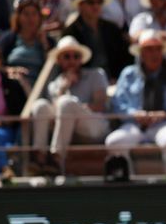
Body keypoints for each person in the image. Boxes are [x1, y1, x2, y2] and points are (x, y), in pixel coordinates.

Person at [105, 29, 166, 177]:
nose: (154, 54)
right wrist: (134, 114)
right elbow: (118, 102)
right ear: (141, 53)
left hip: (163, 123)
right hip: (135, 124)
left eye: (158, 49)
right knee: (114, 141)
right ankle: (129, 184)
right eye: (149, 49)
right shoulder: (129, 74)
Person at [26, 35, 108, 175]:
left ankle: (56, 159)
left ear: (81, 59)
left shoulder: (96, 75)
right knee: (40, 105)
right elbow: (55, 114)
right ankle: (39, 157)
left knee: (66, 102)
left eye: (76, 56)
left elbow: (100, 105)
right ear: (59, 60)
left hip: (95, 127)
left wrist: (74, 108)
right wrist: (64, 88)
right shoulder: (55, 85)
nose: (72, 60)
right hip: (68, 132)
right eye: (67, 56)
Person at [63, 0, 129, 80]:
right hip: (83, 82)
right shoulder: (71, 32)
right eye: (90, 2)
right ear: (80, 5)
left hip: (114, 81)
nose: (95, 6)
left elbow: (123, 58)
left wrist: (117, 79)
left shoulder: (112, 28)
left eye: (99, 2)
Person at [0, 38, 28, 177]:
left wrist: (2, 121)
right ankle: (4, 167)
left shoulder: (10, 83)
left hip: (4, 131)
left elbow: (22, 113)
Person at [0, 0, 51, 78]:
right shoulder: (8, 39)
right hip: (12, 85)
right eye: (26, 14)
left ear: (39, 17)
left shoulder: (48, 41)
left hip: (39, 87)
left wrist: (44, 44)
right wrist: (10, 70)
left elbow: (51, 68)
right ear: (18, 17)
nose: (30, 18)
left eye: (34, 14)